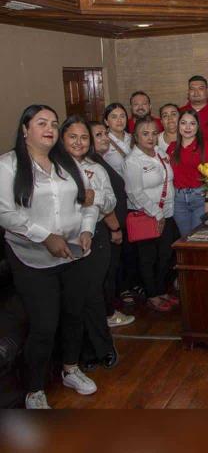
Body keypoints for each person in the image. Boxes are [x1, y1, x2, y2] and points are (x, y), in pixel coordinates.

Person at [0, 105, 99, 409]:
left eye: (54, 123)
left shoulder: (67, 162)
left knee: (74, 315)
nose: (50, 128)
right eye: (41, 122)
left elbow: (89, 202)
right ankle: (34, 388)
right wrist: (45, 236)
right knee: (44, 324)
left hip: (73, 252)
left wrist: (86, 230)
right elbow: (5, 213)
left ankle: (70, 369)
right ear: (25, 129)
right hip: (32, 257)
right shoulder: (8, 165)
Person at [60, 116, 122, 369]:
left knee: (93, 293)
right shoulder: (55, 168)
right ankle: (80, 353)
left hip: (95, 237)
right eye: (73, 137)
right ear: (62, 139)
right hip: (62, 240)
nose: (79, 142)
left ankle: (102, 347)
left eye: (84, 137)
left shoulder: (96, 168)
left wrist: (94, 198)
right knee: (74, 298)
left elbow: (110, 202)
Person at [123, 116, 178, 313]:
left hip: (168, 212)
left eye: (154, 133)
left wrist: (165, 213)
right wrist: (156, 213)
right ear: (135, 137)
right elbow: (134, 192)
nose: (151, 137)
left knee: (165, 255)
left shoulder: (161, 153)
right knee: (148, 258)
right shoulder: (132, 161)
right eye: (145, 134)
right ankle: (152, 294)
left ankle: (162, 289)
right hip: (147, 216)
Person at [88, 121, 134, 328]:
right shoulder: (90, 165)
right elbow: (98, 200)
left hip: (112, 226)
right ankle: (107, 314)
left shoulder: (99, 160)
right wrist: (114, 227)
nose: (105, 138)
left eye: (105, 134)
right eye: (98, 135)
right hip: (105, 228)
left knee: (111, 270)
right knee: (105, 272)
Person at [167, 109, 208, 238]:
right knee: (185, 238)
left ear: (198, 127)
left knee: (198, 238)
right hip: (178, 201)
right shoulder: (171, 147)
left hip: (199, 198)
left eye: (192, 123)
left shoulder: (205, 146)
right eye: (183, 123)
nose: (187, 127)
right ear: (178, 125)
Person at [179, 75, 208, 139]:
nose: (196, 92)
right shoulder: (180, 112)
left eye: (201, 88)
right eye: (192, 89)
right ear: (188, 93)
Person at [103, 102, 133, 177]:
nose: (119, 120)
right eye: (114, 117)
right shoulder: (103, 142)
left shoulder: (133, 138)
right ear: (106, 122)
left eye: (122, 116)